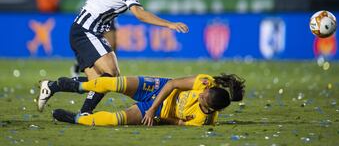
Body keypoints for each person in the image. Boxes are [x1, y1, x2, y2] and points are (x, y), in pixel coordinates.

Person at [37, 0, 189, 114]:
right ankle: (66, 95)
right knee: (112, 74)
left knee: (97, 83)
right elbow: (139, 14)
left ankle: (67, 98)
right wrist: (168, 24)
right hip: (85, 31)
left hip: (84, 31)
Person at [43, 73, 245, 126]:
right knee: (115, 83)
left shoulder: (204, 121)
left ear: (210, 107)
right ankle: (76, 86)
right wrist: (151, 108)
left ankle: (76, 119)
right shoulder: (206, 82)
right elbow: (173, 84)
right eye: (204, 92)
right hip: (159, 88)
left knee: (116, 120)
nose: (201, 94)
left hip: (156, 112)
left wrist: (156, 117)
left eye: (203, 99)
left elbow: (180, 123)